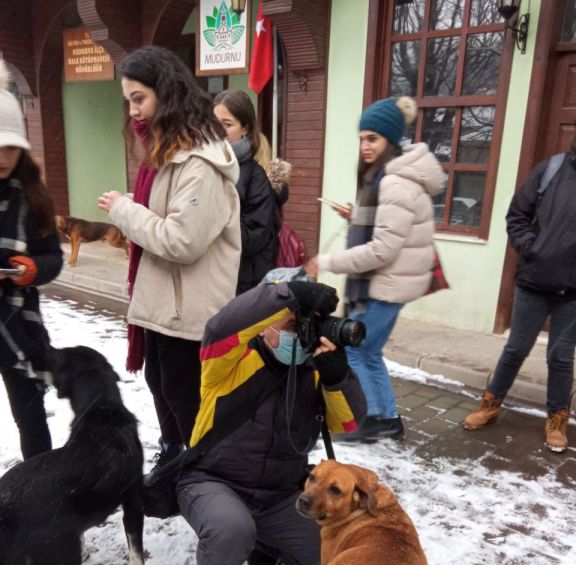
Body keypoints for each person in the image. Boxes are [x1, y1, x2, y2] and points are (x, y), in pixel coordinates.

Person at [175, 269, 367, 565]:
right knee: (231, 528)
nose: (298, 332)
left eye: (304, 325)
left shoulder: (311, 372)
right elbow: (221, 326)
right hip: (213, 482)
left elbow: (349, 421)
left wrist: (337, 376)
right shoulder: (226, 361)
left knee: (337, 558)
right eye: (290, 323)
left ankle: (268, 540)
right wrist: (289, 295)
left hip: (281, 494)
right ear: (262, 325)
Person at [98, 46, 241, 470]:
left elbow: (182, 241)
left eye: (139, 98)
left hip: (190, 309)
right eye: (128, 101)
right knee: (160, 383)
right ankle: (178, 461)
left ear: (167, 93)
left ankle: (206, 478)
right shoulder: (166, 155)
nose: (134, 111)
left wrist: (125, 211)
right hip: (166, 304)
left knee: (186, 399)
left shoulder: (200, 164)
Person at [306, 96, 445, 442]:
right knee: (369, 351)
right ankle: (386, 418)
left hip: (386, 285)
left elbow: (382, 249)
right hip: (389, 284)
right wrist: (356, 217)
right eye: (362, 138)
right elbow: (391, 228)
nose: (365, 146)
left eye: (373, 139)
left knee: (358, 350)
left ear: (390, 141)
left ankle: (369, 419)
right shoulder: (388, 176)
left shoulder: (395, 181)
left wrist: (325, 262)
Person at [463, 143, 576, 452]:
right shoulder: (551, 169)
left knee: (561, 357)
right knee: (515, 349)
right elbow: (516, 216)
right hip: (534, 282)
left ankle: (556, 420)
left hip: (573, 292)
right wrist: (533, 249)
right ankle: (490, 404)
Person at [0, 61, 63, 460]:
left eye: (9, 146)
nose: (2, 156)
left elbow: (53, 257)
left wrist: (34, 270)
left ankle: (41, 493)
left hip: (17, 324)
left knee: (30, 416)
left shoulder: (33, 197)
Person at [213, 89, 278, 293]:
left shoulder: (255, 177)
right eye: (215, 124)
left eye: (227, 124)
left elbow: (253, 237)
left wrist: (211, 220)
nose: (219, 132)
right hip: (213, 278)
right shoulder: (206, 167)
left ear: (245, 128)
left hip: (242, 284)